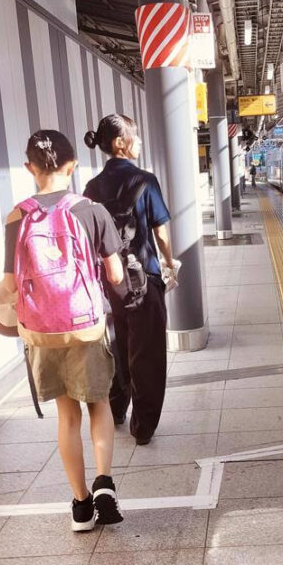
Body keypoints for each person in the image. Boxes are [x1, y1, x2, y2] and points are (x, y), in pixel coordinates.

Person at [2, 130, 125, 532]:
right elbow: (115, 275)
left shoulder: (17, 217)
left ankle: (80, 506)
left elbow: (10, 284)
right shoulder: (91, 210)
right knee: (99, 404)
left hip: (42, 331)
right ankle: (104, 482)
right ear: (73, 166)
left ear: (29, 168)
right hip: (85, 326)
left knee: (67, 415)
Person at [83, 114, 175, 445]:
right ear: (120, 142)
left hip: (111, 283)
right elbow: (160, 232)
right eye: (135, 135)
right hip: (144, 280)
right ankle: (143, 426)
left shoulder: (92, 188)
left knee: (118, 346)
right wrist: (169, 263)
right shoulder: (145, 181)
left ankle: (117, 409)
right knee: (147, 353)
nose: (139, 141)